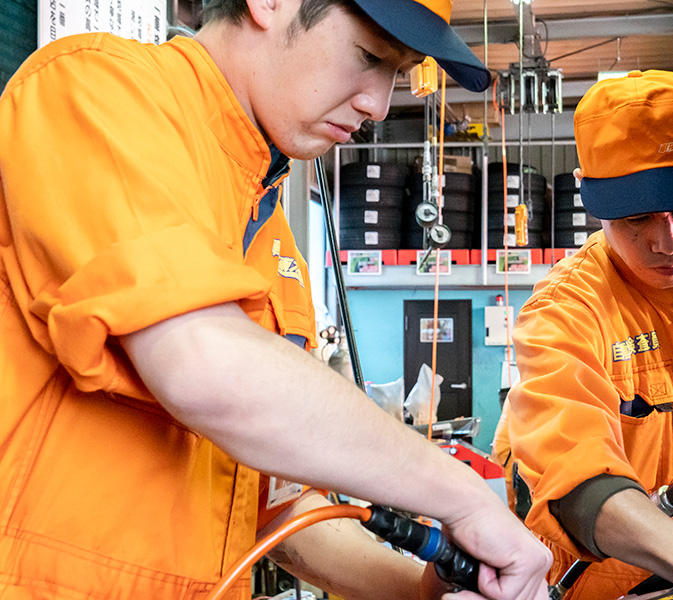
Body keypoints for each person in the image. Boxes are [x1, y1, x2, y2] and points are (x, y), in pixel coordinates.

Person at [0, 1, 551, 599]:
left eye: (397, 72)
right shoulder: (94, 91)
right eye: (369, 58)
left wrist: (419, 592)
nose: (379, 105)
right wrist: (459, 492)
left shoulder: (270, 229)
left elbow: (281, 510)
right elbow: (204, 366)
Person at [495, 71, 673, 600]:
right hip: (606, 583)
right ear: (589, 191)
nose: (669, 241)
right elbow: (576, 480)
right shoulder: (566, 311)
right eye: (636, 217)